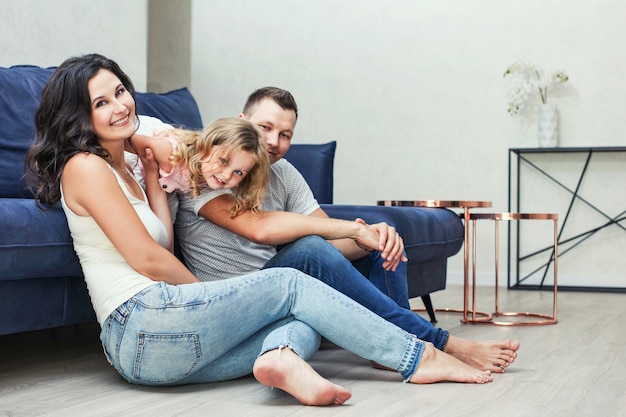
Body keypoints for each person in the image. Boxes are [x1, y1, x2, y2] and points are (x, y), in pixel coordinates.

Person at [25, 53, 493, 407]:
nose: (120, 106)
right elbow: (147, 260)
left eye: (121, 91)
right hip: (140, 324)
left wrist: (148, 170)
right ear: (78, 116)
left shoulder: (128, 162)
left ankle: (282, 357)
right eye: (100, 102)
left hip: (164, 349)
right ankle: (419, 357)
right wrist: (208, 298)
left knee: (303, 315)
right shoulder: (83, 166)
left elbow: (161, 238)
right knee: (291, 283)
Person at [170, 87, 520, 374]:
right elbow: (261, 228)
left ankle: (394, 346)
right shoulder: (209, 167)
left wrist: (374, 237)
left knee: (380, 243)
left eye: (285, 134)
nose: (274, 141)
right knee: (310, 249)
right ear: (242, 122)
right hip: (232, 297)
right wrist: (353, 231)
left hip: (274, 284)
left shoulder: (284, 174)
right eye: (265, 128)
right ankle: (435, 342)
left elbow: (330, 241)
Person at [130, 118, 270, 219]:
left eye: (238, 172)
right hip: (134, 155)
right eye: (223, 161)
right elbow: (124, 141)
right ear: (206, 147)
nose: (227, 176)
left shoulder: (207, 173)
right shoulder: (171, 152)